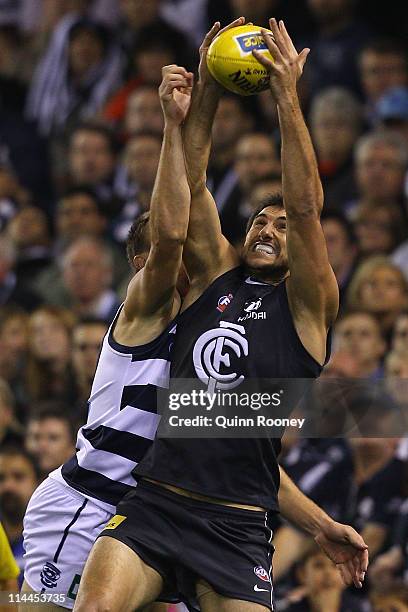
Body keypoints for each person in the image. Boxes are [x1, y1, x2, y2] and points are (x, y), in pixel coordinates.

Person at [76, 18, 368, 612]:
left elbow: (309, 209)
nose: (268, 228)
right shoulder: (218, 277)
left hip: (235, 528)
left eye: (282, 227)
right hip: (155, 504)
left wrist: (287, 95)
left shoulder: (310, 308)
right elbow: (190, 178)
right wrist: (203, 91)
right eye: (261, 219)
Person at [21, 62, 193, 612]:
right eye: (182, 250)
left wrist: (318, 521)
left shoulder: (211, 340)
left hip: (150, 524)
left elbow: (248, 444)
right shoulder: (145, 309)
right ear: (142, 263)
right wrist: (176, 125)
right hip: (86, 505)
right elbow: (170, 236)